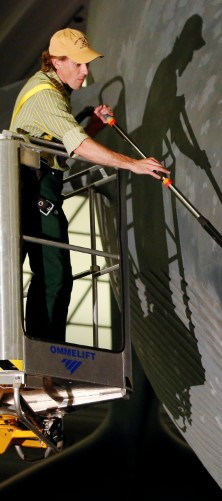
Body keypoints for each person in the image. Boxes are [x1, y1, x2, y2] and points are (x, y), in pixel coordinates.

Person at [9, 28, 169, 342]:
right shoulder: (46, 96)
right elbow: (78, 146)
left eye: (87, 63)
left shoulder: (51, 91)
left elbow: (63, 145)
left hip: (38, 185)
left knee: (47, 273)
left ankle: (35, 360)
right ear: (56, 62)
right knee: (52, 275)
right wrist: (133, 164)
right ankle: (35, 360)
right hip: (32, 188)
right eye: (79, 64)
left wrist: (92, 126)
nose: (86, 71)